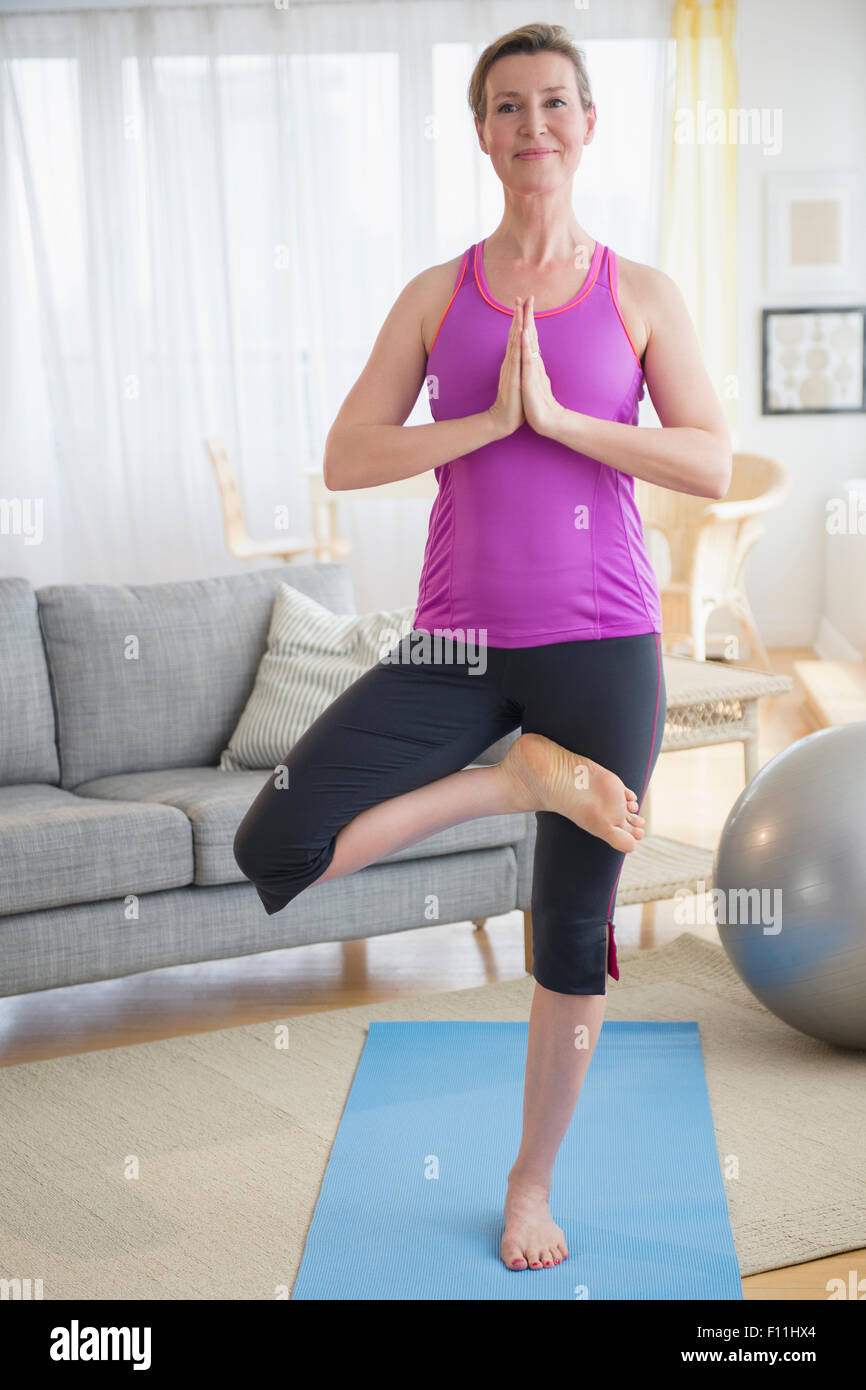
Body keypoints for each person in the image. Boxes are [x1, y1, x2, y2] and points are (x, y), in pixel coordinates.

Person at [234, 21, 731, 1274]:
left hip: (603, 642)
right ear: (480, 132)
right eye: (506, 107)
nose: (532, 127)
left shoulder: (637, 293)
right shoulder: (435, 294)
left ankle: (526, 1185)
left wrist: (560, 419)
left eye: (553, 103)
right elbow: (348, 457)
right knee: (273, 839)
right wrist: (483, 421)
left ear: (587, 122)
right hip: (455, 645)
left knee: (569, 930)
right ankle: (509, 779)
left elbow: (708, 461)